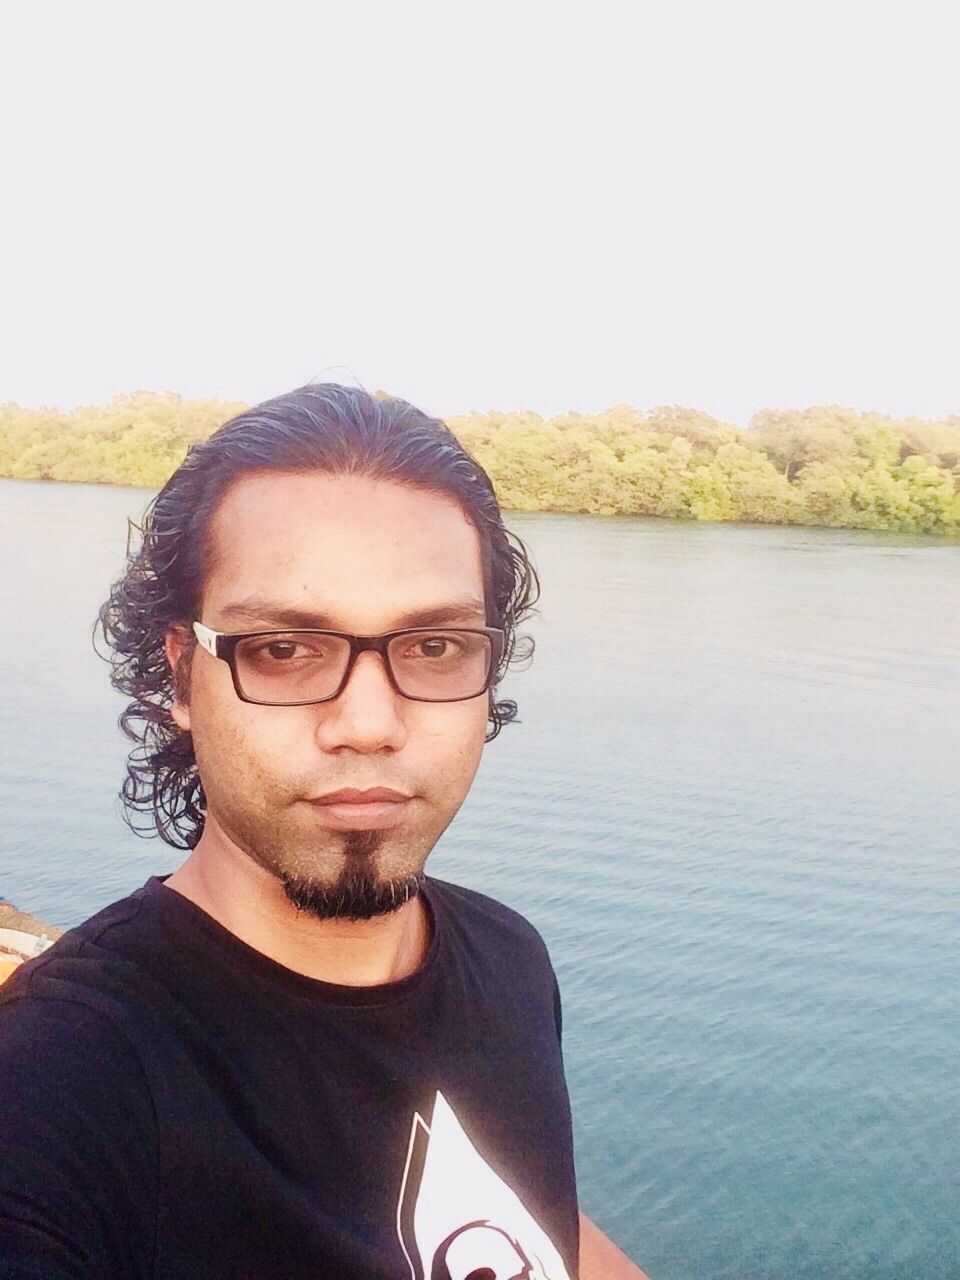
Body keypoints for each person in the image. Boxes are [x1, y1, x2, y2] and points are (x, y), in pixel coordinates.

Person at [0, 384, 649, 1279]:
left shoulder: (507, 960)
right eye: (283, 650)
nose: (369, 724)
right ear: (182, 678)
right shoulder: (63, 1084)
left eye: (434, 647)